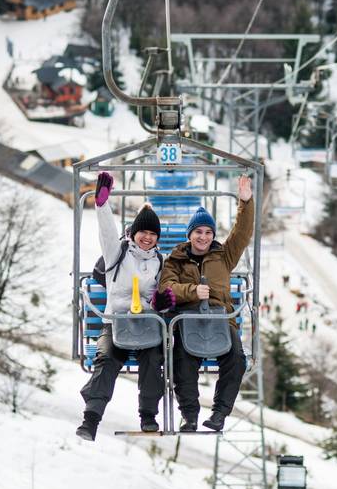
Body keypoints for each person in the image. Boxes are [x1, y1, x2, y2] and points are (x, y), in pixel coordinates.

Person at [76, 172, 176, 441]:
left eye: (153, 234)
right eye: (143, 232)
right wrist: (101, 204)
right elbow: (107, 230)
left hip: (146, 325)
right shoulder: (117, 254)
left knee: (154, 360)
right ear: (133, 232)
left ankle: (148, 416)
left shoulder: (161, 262)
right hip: (116, 323)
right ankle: (91, 418)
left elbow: (162, 297)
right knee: (107, 359)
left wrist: (160, 303)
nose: (147, 237)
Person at [159, 176, 255, 432]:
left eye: (208, 232)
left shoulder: (224, 256)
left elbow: (242, 233)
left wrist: (245, 202)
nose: (203, 237)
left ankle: (219, 414)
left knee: (236, 359)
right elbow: (165, 288)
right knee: (183, 361)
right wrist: (192, 291)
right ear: (189, 234)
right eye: (198, 232)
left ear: (213, 236)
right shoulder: (175, 260)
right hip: (189, 320)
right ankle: (189, 415)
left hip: (221, 320)